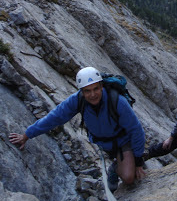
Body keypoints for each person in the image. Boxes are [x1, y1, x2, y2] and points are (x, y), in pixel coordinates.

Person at [9, 66, 146, 192]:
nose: (93, 95)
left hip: (122, 141)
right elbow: (54, 118)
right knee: (131, 171)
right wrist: (27, 135)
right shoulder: (77, 100)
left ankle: (116, 167)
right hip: (103, 142)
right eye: (87, 91)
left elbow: (136, 130)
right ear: (81, 91)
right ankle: (119, 165)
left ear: (101, 86)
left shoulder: (117, 101)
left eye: (96, 89)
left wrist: (138, 161)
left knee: (129, 178)